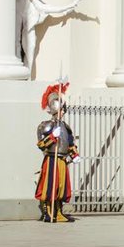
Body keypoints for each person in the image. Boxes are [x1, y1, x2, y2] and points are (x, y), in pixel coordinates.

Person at [35, 79, 80, 223]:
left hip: (62, 160)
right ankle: (48, 212)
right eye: (61, 109)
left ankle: (59, 212)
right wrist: (52, 137)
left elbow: (70, 143)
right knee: (50, 187)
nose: (63, 112)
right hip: (51, 160)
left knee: (61, 187)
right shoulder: (46, 126)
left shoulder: (65, 127)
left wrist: (74, 155)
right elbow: (41, 145)